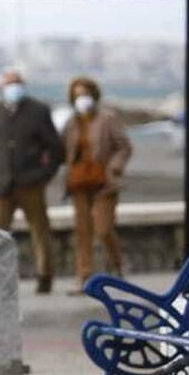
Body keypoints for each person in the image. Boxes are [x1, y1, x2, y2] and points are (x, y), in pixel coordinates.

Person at [0, 70, 65, 294]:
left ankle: (45, 276)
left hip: (31, 185)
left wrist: (43, 176)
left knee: (40, 231)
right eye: (8, 84)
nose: (13, 87)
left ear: (24, 86)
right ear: (1, 88)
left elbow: (56, 150)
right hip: (0, 186)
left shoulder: (39, 111)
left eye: (17, 83)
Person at [62, 76, 132, 290]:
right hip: (79, 183)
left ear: (94, 96)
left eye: (85, 94)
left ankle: (118, 265)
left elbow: (124, 146)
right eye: (77, 95)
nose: (81, 99)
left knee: (103, 228)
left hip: (104, 182)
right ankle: (83, 276)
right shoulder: (71, 124)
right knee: (82, 232)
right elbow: (62, 149)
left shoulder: (107, 119)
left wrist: (115, 166)